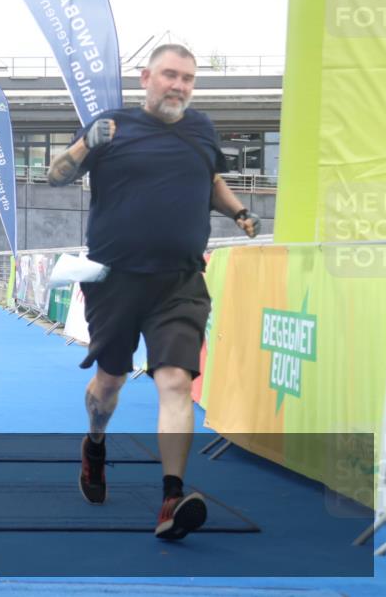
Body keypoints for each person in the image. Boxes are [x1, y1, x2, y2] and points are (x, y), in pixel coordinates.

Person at [47, 44, 261, 541]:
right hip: (115, 281)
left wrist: (240, 212)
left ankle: (172, 496)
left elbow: (211, 180)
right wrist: (84, 145)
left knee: (175, 382)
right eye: (169, 75)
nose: (179, 86)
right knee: (110, 384)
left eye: (187, 78)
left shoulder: (202, 130)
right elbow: (57, 176)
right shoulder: (112, 124)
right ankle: (95, 444)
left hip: (180, 281)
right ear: (146, 77)